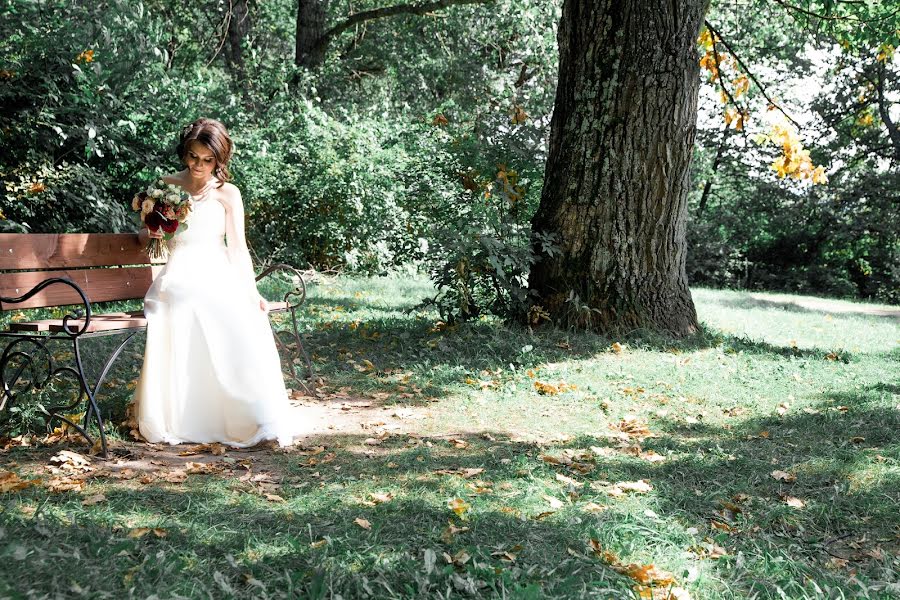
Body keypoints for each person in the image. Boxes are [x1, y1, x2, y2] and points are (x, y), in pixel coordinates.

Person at [134, 118, 305, 447]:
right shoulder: (166, 187)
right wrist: (153, 231)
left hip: (216, 271)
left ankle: (253, 419)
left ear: (219, 159)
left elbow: (237, 247)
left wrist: (252, 291)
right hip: (178, 276)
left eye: (207, 160)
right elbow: (145, 237)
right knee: (190, 300)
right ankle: (190, 417)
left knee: (245, 314)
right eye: (193, 157)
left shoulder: (228, 193)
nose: (198, 166)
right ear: (185, 153)